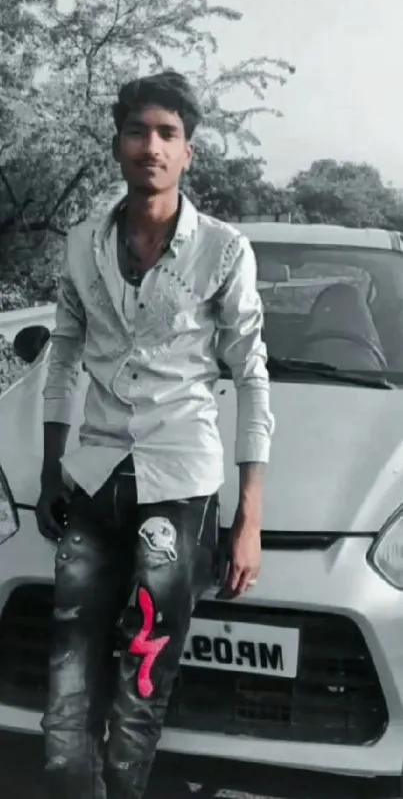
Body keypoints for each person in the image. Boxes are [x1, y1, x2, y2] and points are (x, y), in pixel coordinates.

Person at [35, 69, 274, 799]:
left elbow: (252, 375)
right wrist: (51, 470)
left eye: (167, 133)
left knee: (144, 667)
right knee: (69, 665)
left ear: (188, 152)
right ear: (117, 144)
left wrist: (249, 517)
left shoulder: (224, 251)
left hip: (178, 485)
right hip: (96, 475)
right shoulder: (83, 244)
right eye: (138, 130)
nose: (151, 146)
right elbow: (65, 351)